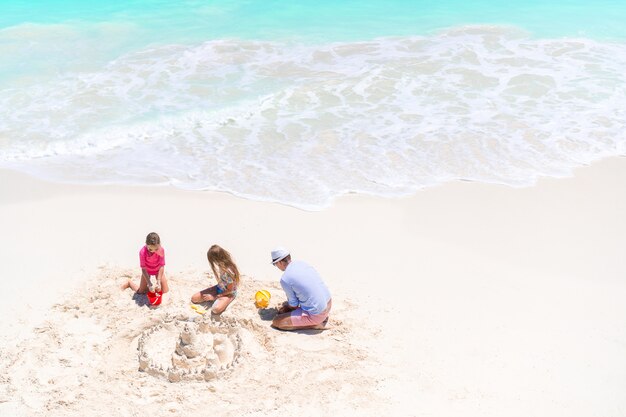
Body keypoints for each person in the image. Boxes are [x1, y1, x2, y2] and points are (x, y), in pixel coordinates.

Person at [270, 247, 332, 331]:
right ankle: (314, 320)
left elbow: (294, 306)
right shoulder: (302, 263)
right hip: (328, 303)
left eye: (275, 264)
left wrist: (285, 309)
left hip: (318, 314)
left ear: (280, 262)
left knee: (277, 322)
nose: (276, 266)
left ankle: (314, 325)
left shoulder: (285, 278)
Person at [191, 244, 240, 315]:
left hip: (229, 293)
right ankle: (217, 299)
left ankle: (228, 299)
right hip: (220, 287)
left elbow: (230, 290)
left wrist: (214, 297)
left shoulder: (228, 271)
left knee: (215, 309)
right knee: (194, 298)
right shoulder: (222, 264)